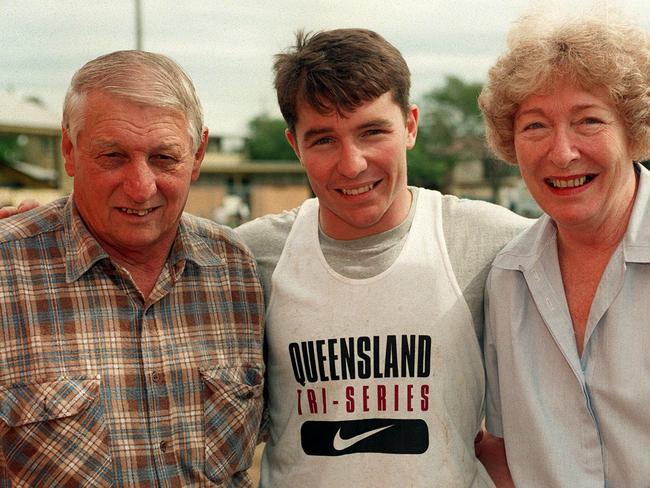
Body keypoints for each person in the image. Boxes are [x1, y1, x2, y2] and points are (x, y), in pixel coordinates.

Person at [235, 29, 529, 487]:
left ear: (411, 125)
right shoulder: (250, 256)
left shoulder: (492, 239)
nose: (352, 164)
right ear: (294, 144)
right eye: (324, 140)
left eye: (372, 131)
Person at [0, 51, 265, 486]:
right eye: (113, 156)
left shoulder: (238, 270)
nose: (141, 188)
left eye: (164, 158)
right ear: (69, 149)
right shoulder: (8, 272)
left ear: (197, 155)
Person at [478, 11, 650, 487]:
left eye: (588, 120)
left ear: (633, 129)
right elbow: (503, 451)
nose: (562, 153)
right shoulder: (507, 279)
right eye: (535, 127)